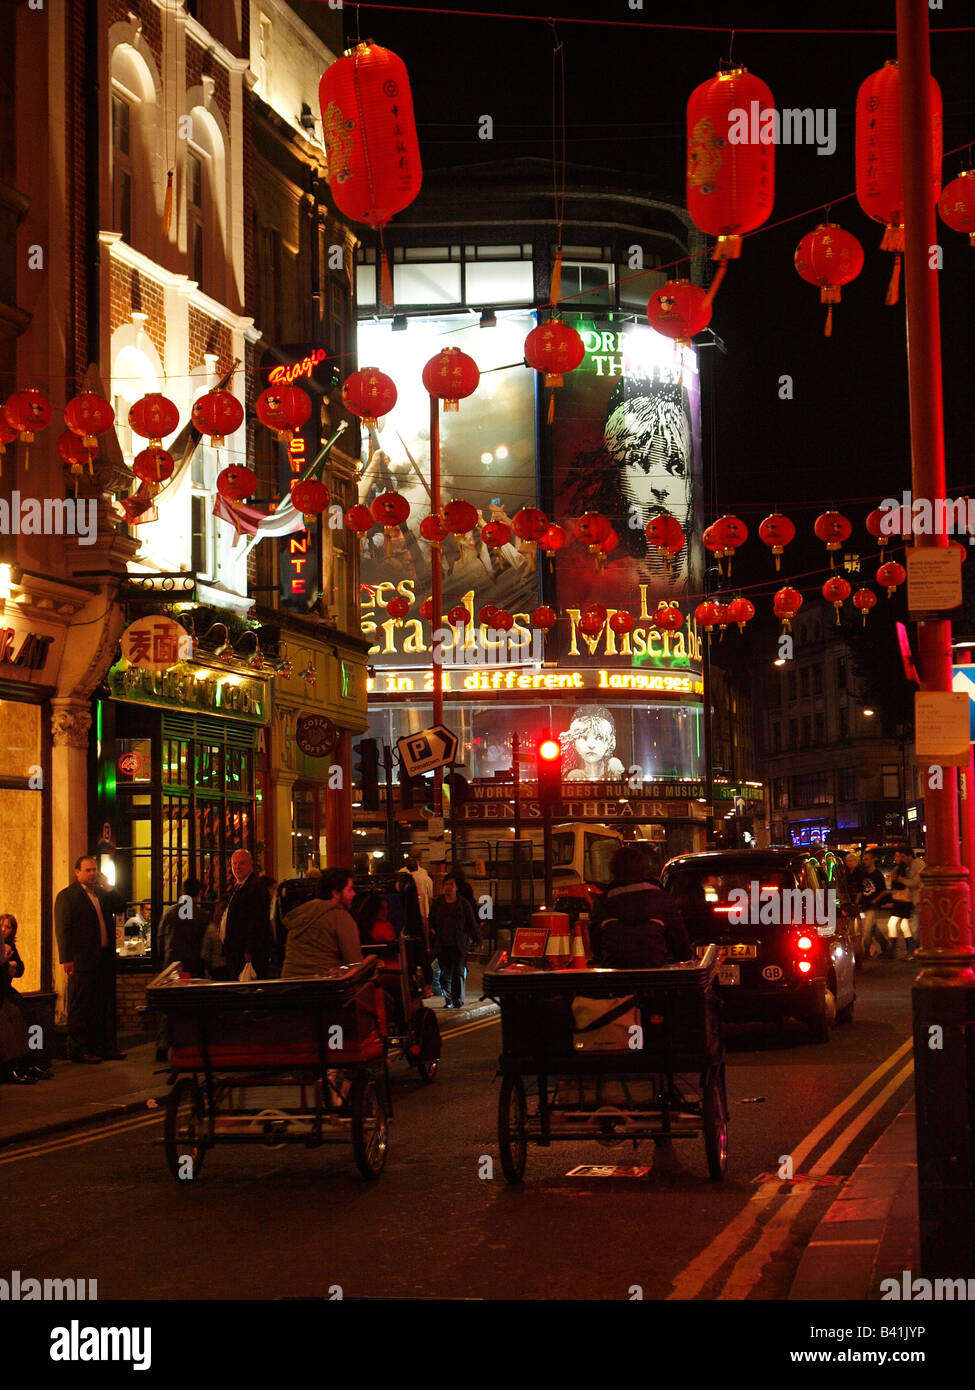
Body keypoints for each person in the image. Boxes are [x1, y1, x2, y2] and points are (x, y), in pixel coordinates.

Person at [54, 854, 126, 1063]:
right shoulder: (68, 896)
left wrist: (109, 886)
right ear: (77, 872)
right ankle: (78, 1049)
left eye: (94, 870)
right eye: (88, 870)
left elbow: (121, 905)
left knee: (103, 1004)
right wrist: (66, 958)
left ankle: (104, 1047)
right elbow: (63, 929)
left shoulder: (101, 895)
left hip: (103, 957)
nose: (92, 874)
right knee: (82, 1005)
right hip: (82, 959)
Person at [588, 846, 692, 968]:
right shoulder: (660, 899)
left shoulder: (603, 903)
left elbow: (596, 948)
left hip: (615, 976)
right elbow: (682, 946)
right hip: (655, 974)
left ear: (613, 872)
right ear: (643, 869)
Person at [155, 878, 210, 1062]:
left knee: (169, 1006)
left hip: (172, 964)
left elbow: (160, 938)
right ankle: (190, 1044)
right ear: (199, 894)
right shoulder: (202, 915)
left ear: (181, 892)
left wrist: (164, 960)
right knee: (193, 1006)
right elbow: (206, 944)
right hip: (194, 965)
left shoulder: (169, 913)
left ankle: (163, 1044)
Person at [281, 868, 363, 977]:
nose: (354, 894)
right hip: (323, 986)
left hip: (289, 984)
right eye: (350, 889)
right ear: (336, 893)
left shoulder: (302, 913)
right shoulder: (340, 917)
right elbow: (354, 963)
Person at [1, 914, 50, 1082]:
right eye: (2, 926)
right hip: (3, 991)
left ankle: (36, 1061)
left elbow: (20, 969)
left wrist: (12, 965)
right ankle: (16, 1065)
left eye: (7, 927)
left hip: (7, 990)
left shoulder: (10, 946)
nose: (3, 930)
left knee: (32, 1017)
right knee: (12, 1018)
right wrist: (8, 964)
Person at [429, 874, 481, 1009]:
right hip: (442, 944)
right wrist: (432, 930)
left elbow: (471, 923)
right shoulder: (438, 903)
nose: (448, 887)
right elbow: (431, 920)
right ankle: (449, 999)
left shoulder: (463, 904)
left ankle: (457, 1000)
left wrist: (478, 940)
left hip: (458, 944)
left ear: (456, 888)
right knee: (444, 975)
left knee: (457, 972)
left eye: (451, 885)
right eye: (446, 884)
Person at [221, 849, 272, 980]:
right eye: (234, 864)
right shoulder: (240, 886)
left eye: (242, 863)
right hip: (237, 951)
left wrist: (250, 950)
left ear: (251, 864)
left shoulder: (255, 886)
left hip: (246, 954)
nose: (237, 867)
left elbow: (257, 920)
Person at [561, 705, 626, 782]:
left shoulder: (614, 766)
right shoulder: (574, 775)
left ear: (609, 742)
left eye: (599, 738)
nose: (591, 745)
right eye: (583, 737)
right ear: (574, 743)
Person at [858, 851, 892, 960]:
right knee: (874, 929)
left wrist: (875, 900)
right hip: (865, 904)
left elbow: (883, 891)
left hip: (872, 906)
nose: (865, 861)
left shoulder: (877, 874)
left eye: (867, 859)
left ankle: (867, 952)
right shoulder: (863, 874)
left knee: (867, 930)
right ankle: (885, 946)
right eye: (864, 859)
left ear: (873, 860)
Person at [887, 848, 917, 961]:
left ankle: (893, 951)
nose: (896, 859)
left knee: (893, 923)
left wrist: (896, 880)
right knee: (903, 925)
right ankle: (909, 950)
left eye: (898, 856)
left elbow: (902, 884)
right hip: (900, 900)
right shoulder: (898, 869)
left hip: (903, 900)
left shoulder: (904, 869)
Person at [201, 892, 231, 981]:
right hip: (231, 966)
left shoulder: (212, 928)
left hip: (217, 968)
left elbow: (206, 953)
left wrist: (206, 970)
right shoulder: (235, 927)